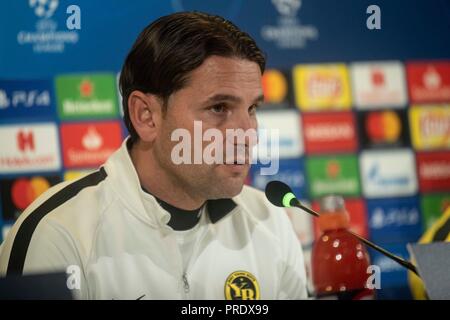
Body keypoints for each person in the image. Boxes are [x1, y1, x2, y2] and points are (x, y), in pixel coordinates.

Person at [0, 12, 307, 299]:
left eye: (252, 108)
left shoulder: (271, 224)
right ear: (146, 116)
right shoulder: (58, 233)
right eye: (219, 108)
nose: (248, 132)